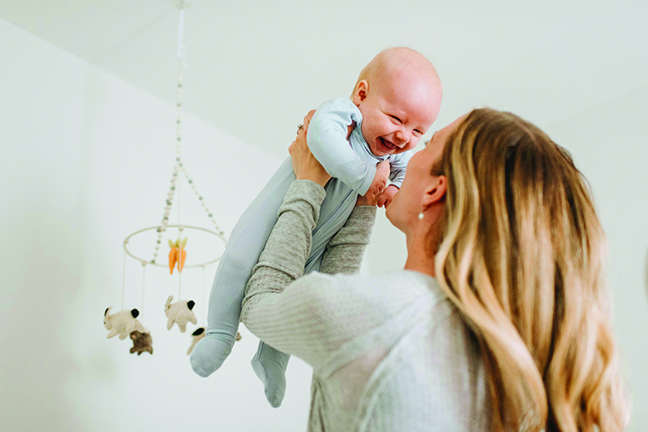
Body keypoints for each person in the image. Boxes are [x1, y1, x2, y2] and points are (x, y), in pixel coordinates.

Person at [241, 108, 629, 431]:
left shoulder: (374, 317)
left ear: (434, 189)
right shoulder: (514, 360)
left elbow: (260, 302)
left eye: (425, 143)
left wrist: (308, 183)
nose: (406, 148)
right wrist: (361, 205)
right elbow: (346, 315)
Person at [190, 47, 443, 407]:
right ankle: (219, 333)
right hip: (277, 213)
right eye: (396, 118)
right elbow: (320, 138)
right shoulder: (342, 115)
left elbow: (397, 175)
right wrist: (366, 177)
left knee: (299, 293)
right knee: (237, 261)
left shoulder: (391, 156)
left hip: (318, 237)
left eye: (418, 129)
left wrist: (390, 188)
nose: (404, 136)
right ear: (362, 95)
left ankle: (272, 359)